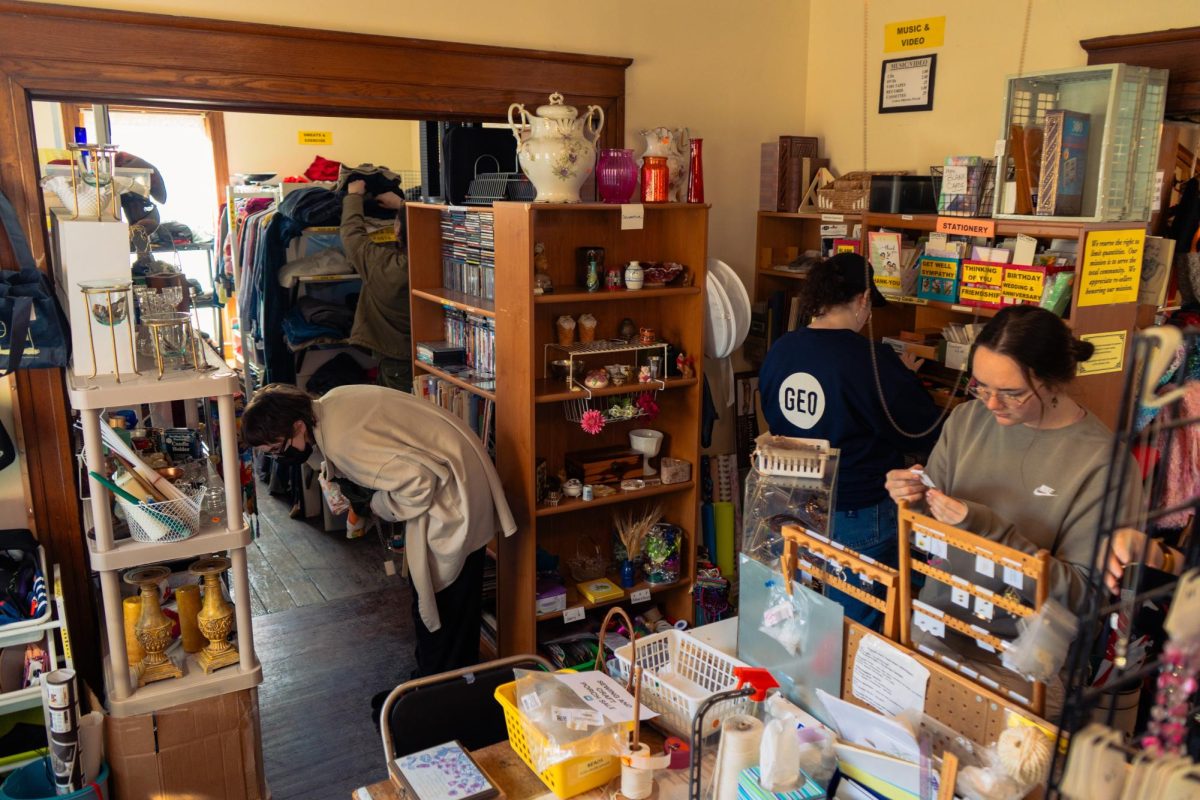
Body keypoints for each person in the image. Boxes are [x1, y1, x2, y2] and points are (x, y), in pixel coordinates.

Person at [884, 305, 1142, 710]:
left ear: (1055, 381)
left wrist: (989, 529)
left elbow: (1086, 597)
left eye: (1012, 393)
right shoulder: (967, 421)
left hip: (1027, 665)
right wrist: (913, 502)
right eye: (981, 386)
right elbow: (929, 532)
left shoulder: (1104, 464)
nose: (992, 404)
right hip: (936, 630)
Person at [241, 383, 516, 677]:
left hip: (453, 494)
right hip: (457, 470)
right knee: (451, 602)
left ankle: (445, 691)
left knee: (447, 604)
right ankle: (441, 684)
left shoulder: (341, 441)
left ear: (297, 425)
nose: (279, 458)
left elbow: (419, 484)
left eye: (277, 449)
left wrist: (378, 505)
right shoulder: (329, 401)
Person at [758, 253, 942, 628]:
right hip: (857, 511)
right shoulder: (871, 360)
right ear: (862, 300)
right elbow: (922, 428)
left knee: (798, 619)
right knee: (856, 628)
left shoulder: (781, 349)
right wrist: (900, 379)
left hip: (792, 506)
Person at [341, 179, 412, 392]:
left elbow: (352, 234)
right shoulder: (436, 264)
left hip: (396, 358)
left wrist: (353, 196)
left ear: (397, 229)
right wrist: (402, 204)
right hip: (427, 356)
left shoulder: (386, 266)